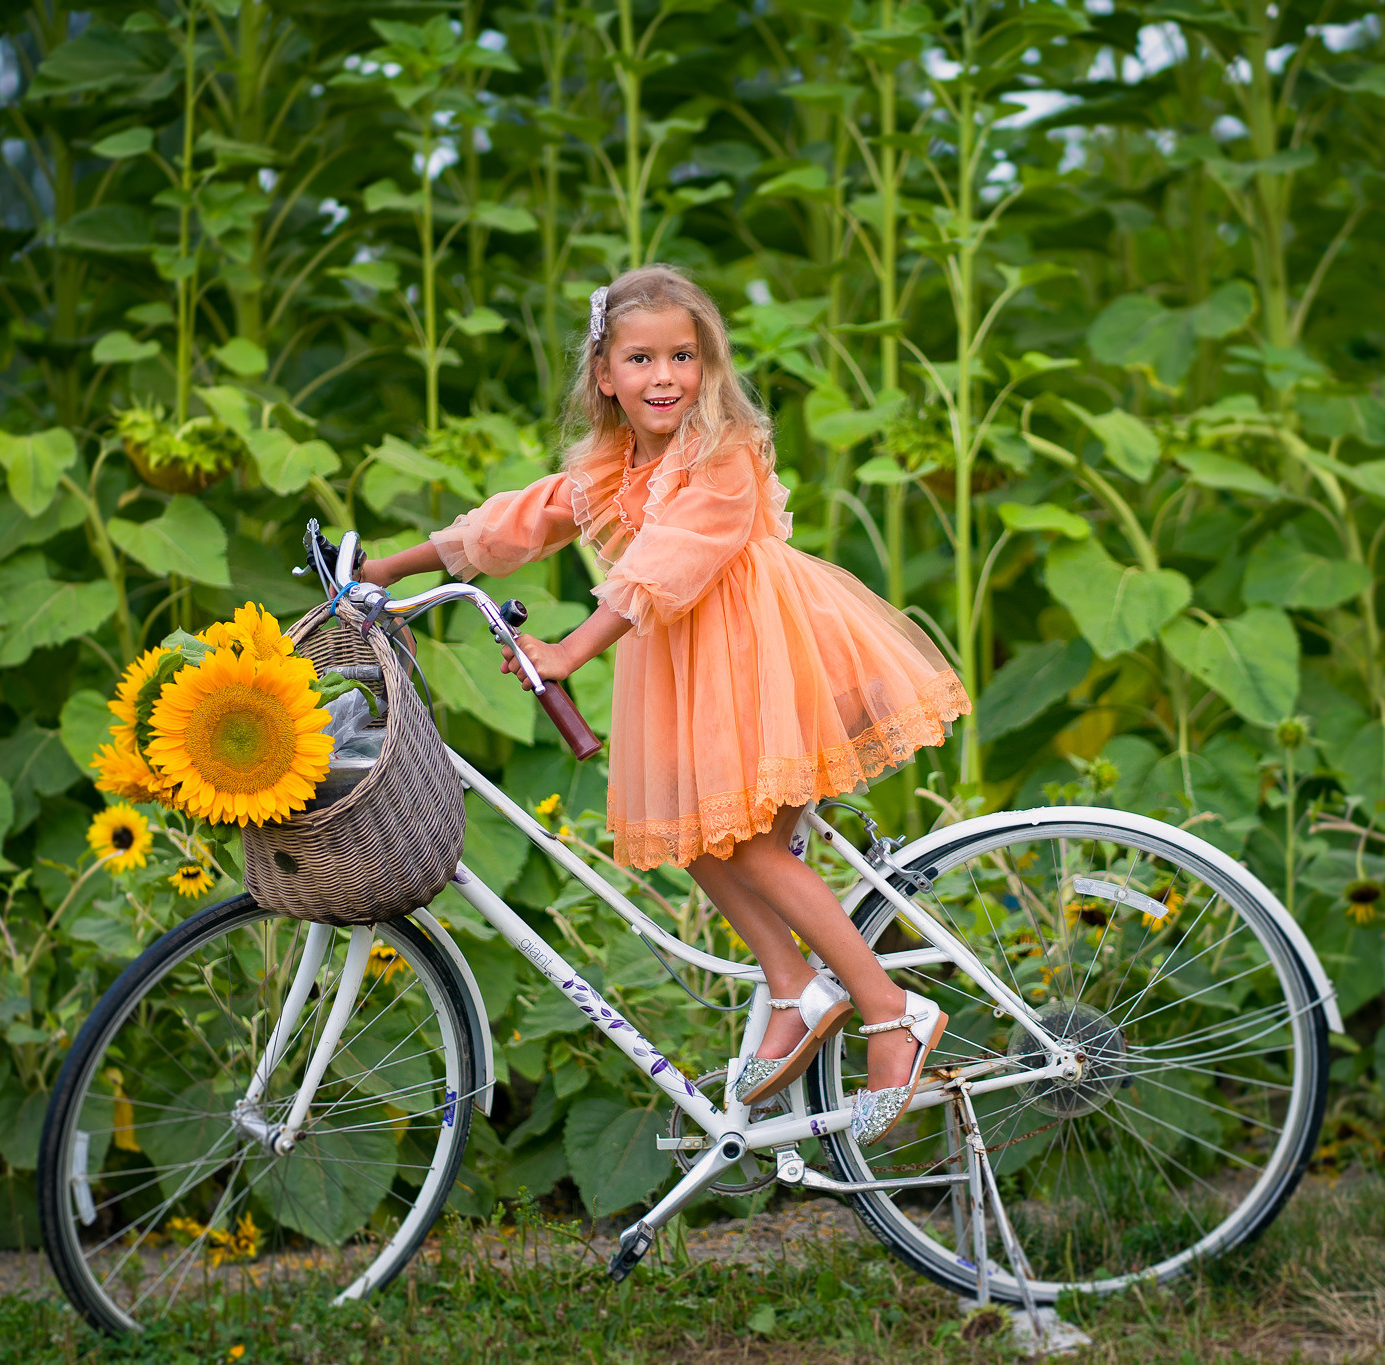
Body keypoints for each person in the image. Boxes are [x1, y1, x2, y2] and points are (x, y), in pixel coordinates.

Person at [360, 265, 972, 1145]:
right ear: (604, 374)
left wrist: (571, 648)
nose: (664, 376)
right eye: (641, 358)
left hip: (764, 659)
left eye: (683, 356)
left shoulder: (722, 452)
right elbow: (518, 520)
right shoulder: (613, 465)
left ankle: (891, 1010)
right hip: (692, 668)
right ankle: (796, 988)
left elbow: (669, 559)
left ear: (708, 365)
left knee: (753, 847)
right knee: (696, 838)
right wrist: (387, 568)